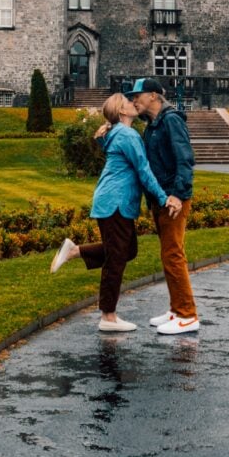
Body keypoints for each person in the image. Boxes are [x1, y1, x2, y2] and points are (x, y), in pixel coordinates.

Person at [49, 93, 174, 332]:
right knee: (116, 258)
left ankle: (74, 251)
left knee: (127, 250)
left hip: (114, 201)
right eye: (129, 102)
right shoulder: (127, 134)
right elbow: (143, 170)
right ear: (123, 111)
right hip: (115, 202)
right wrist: (163, 198)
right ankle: (108, 316)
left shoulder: (118, 133)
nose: (133, 103)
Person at [126, 77, 200, 335]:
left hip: (173, 199)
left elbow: (185, 159)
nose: (134, 100)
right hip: (162, 199)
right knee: (169, 254)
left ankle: (188, 314)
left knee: (173, 254)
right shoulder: (153, 125)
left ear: (154, 96)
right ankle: (177, 308)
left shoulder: (171, 121)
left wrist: (178, 195)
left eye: (138, 95)